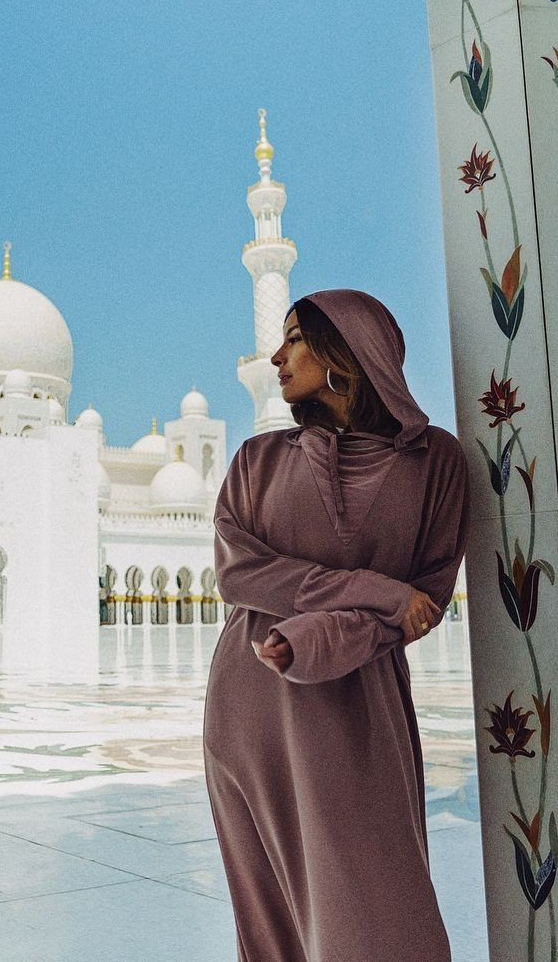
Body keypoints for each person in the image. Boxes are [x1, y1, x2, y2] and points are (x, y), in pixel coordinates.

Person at [203, 290, 469, 962]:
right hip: (252, 696)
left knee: (378, 905)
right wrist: (375, 590)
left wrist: (323, 637)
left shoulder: (434, 462)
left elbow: (425, 601)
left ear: (348, 347)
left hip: (357, 700)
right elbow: (241, 576)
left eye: (294, 338)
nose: (275, 355)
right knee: (272, 916)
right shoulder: (256, 461)